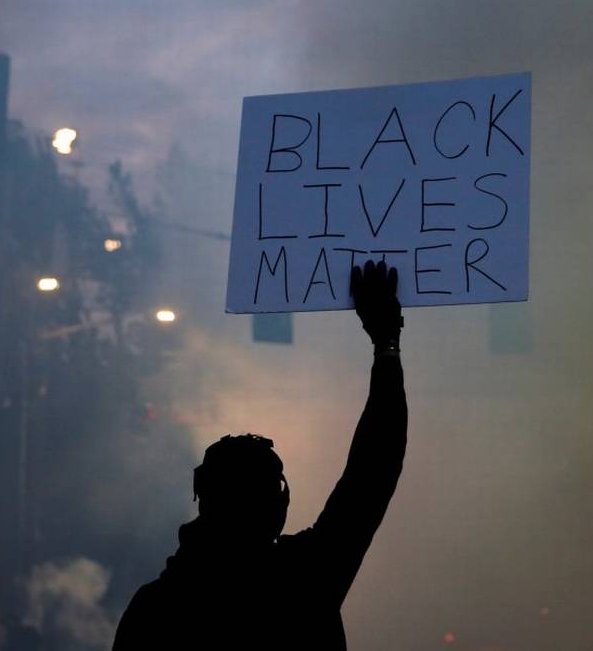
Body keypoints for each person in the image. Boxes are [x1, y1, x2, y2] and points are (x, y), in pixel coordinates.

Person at [112, 260, 407, 650]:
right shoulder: (304, 579)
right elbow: (373, 470)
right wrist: (385, 343)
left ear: (204, 498)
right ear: (278, 501)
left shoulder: (154, 608)